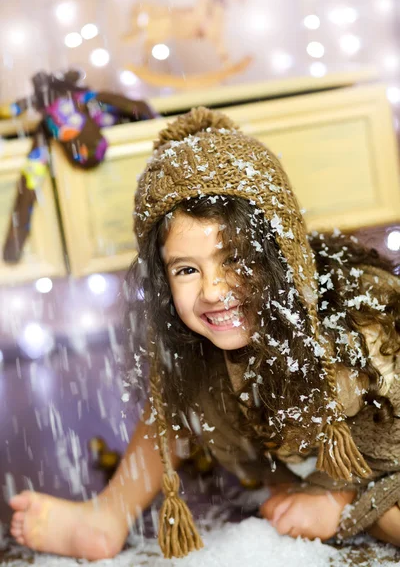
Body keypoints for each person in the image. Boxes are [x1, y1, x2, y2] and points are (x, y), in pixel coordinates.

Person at [9, 107, 400, 559]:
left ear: (279, 255)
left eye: (235, 259)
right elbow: (170, 408)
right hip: (310, 448)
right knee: (180, 379)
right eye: (188, 269)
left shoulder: (361, 323)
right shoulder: (203, 339)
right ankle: (108, 513)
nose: (213, 291)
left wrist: (336, 499)